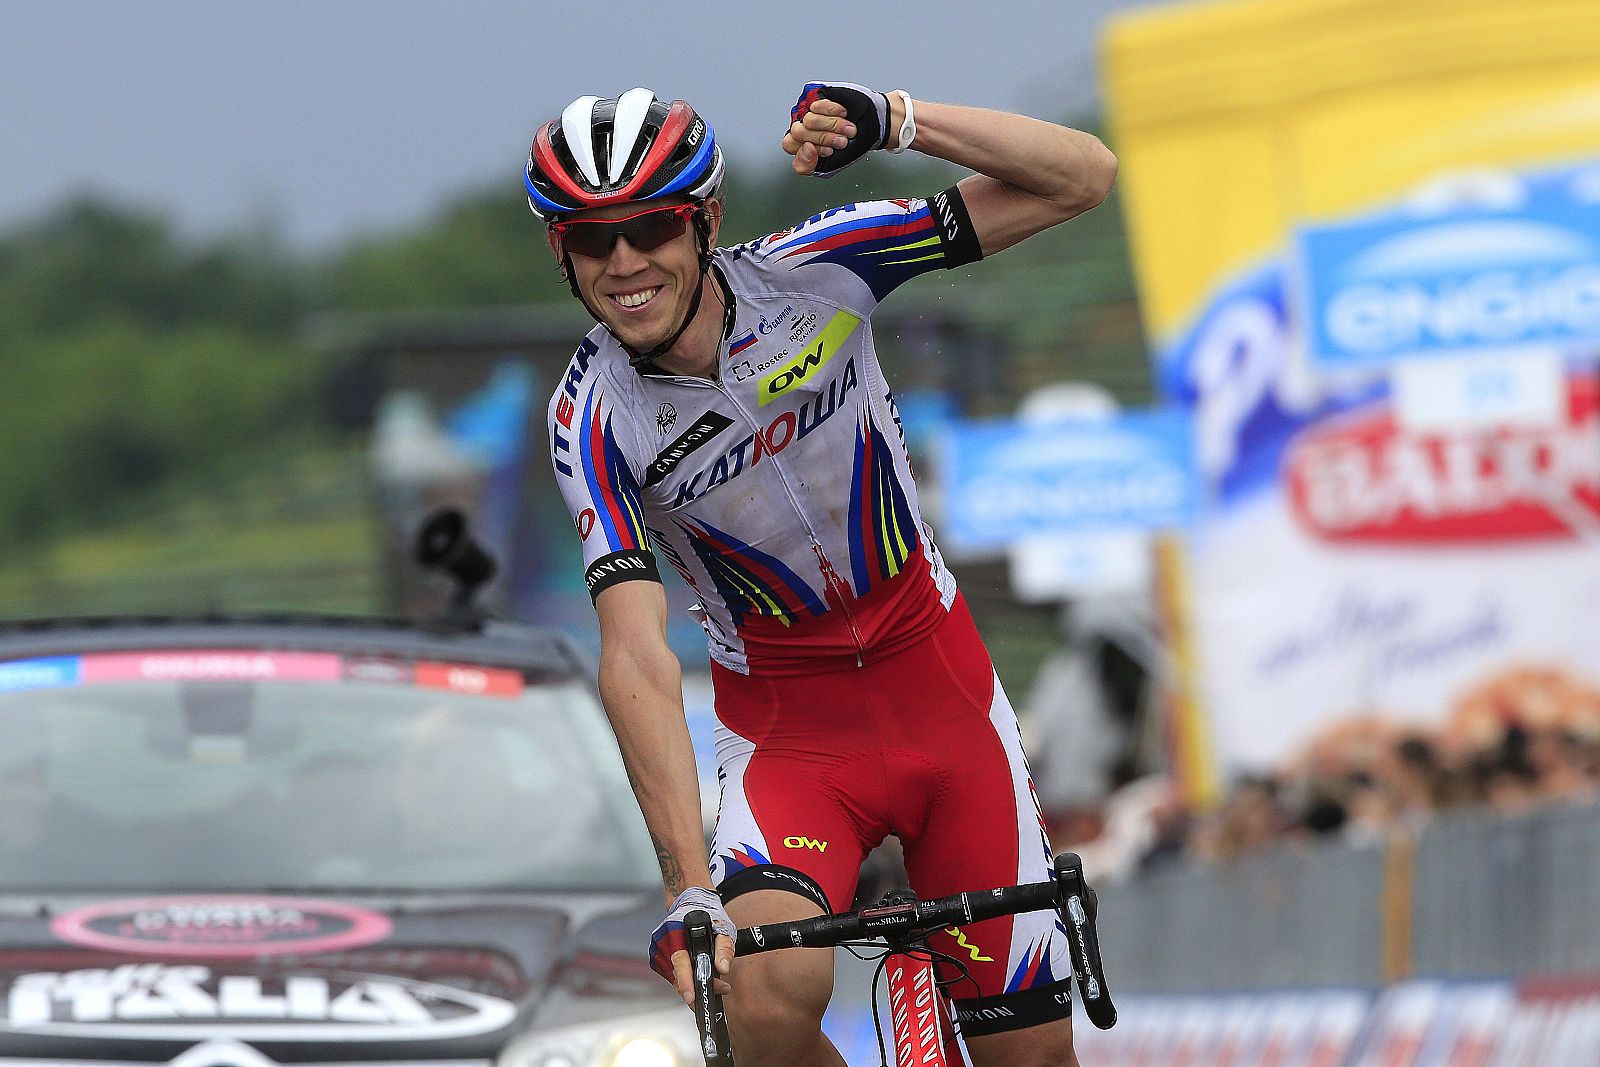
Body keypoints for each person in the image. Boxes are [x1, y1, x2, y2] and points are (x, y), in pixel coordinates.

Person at [533, 81, 1116, 1067]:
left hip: (939, 692)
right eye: (592, 241)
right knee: (760, 996)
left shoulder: (818, 268)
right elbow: (635, 658)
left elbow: (1083, 177)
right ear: (562, 254)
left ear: (704, 222)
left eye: (650, 229)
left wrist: (896, 121)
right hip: (791, 736)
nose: (625, 263)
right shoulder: (591, 416)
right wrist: (687, 889)